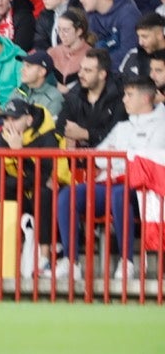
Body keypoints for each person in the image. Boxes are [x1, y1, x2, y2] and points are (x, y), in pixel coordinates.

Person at [54, 77, 165, 284]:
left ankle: (127, 262)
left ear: (146, 98)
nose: (124, 100)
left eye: (129, 95)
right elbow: (99, 156)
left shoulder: (162, 125)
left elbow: (148, 161)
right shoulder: (122, 127)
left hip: (145, 190)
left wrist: (120, 156)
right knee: (69, 194)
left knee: (119, 194)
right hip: (113, 183)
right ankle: (71, 262)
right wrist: (126, 156)